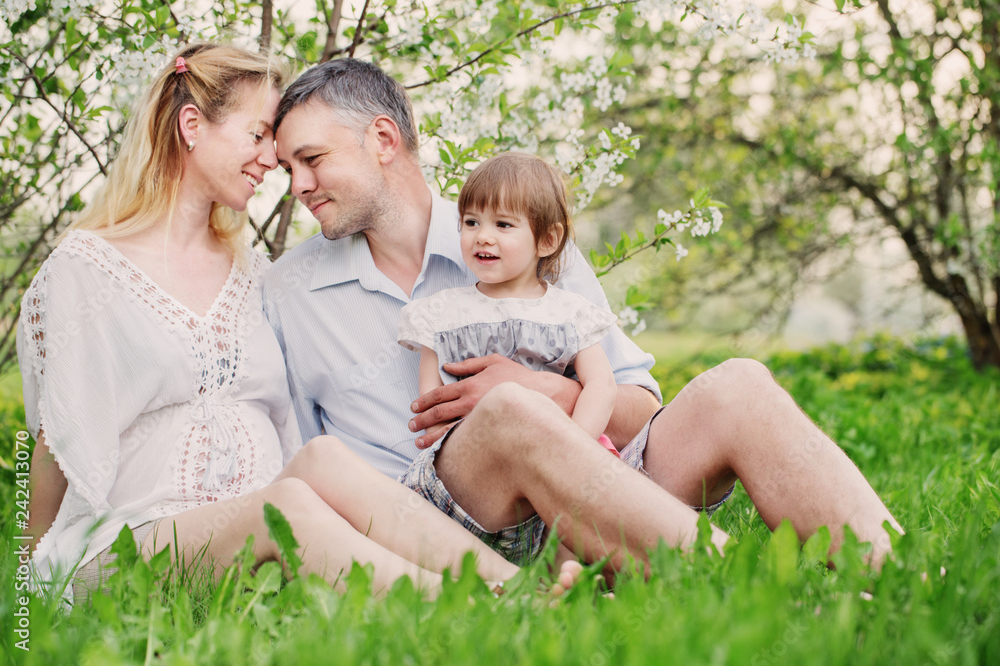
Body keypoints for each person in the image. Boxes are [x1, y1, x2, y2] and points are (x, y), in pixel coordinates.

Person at [266, 58, 903, 572]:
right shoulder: (288, 293)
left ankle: (902, 577)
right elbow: (302, 474)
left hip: (594, 482)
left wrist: (551, 391)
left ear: (383, 139)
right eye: (288, 167)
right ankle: (740, 584)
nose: (297, 185)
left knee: (739, 386)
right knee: (507, 414)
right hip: (447, 524)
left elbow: (640, 412)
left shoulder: (519, 235)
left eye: (312, 160)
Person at [18, 43, 542, 605]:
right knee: (284, 506)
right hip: (134, 544)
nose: (272, 160)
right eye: (258, 134)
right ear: (192, 126)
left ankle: (523, 589)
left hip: (255, 530)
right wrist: (24, 587)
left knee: (322, 460)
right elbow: (56, 442)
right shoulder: (87, 268)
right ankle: (486, 608)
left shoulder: (253, 275)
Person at [397, 152, 620, 457]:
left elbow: (602, 385)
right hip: (477, 458)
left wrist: (574, 448)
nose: (483, 236)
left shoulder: (570, 313)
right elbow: (433, 405)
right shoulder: (441, 314)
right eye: (471, 222)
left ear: (547, 240)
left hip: (556, 449)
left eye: (503, 224)